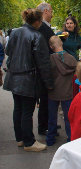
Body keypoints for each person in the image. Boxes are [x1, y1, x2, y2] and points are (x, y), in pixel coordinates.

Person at [3, 8, 53, 152]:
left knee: (18, 108)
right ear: (37, 22)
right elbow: (43, 63)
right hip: (28, 79)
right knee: (27, 111)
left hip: (14, 77)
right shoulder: (37, 36)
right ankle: (29, 142)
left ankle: (20, 139)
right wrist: (48, 83)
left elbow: (8, 51)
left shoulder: (15, 32)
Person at [46, 36, 77, 146]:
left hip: (53, 92)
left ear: (51, 46)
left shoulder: (49, 59)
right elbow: (77, 73)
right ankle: (70, 138)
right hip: (67, 91)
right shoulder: (71, 58)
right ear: (62, 44)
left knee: (52, 116)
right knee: (69, 117)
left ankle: (50, 138)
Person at [36, 2, 56, 135]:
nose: (52, 13)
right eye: (51, 10)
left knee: (46, 98)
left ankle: (47, 123)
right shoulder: (42, 27)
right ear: (46, 11)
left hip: (44, 67)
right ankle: (43, 127)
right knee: (44, 98)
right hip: (44, 68)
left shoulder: (43, 27)